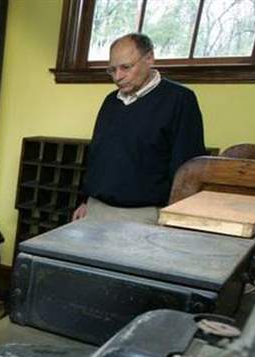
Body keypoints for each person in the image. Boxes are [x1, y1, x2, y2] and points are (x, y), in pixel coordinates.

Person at [74, 33, 205, 224]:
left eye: (126, 67)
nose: (118, 77)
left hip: (144, 214)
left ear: (149, 58)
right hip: (95, 208)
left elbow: (186, 166)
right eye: (112, 70)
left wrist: (175, 218)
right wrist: (84, 200)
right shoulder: (111, 101)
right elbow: (96, 155)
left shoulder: (180, 100)